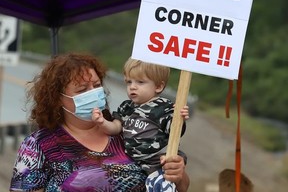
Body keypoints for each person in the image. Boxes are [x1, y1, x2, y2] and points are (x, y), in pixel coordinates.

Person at [9, 53, 190, 192]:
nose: (93, 93)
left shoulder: (127, 129)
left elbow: (179, 186)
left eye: (96, 86)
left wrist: (178, 175)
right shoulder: (39, 145)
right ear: (57, 99)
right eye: (82, 89)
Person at [92, 57, 189, 192]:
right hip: (136, 162)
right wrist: (102, 122)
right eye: (129, 82)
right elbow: (116, 128)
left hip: (158, 160)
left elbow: (175, 131)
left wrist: (180, 119)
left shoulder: (164, 108)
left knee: (159, 185)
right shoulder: (127, 107)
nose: (132, 86)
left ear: (158, 86)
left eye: (140, 82)